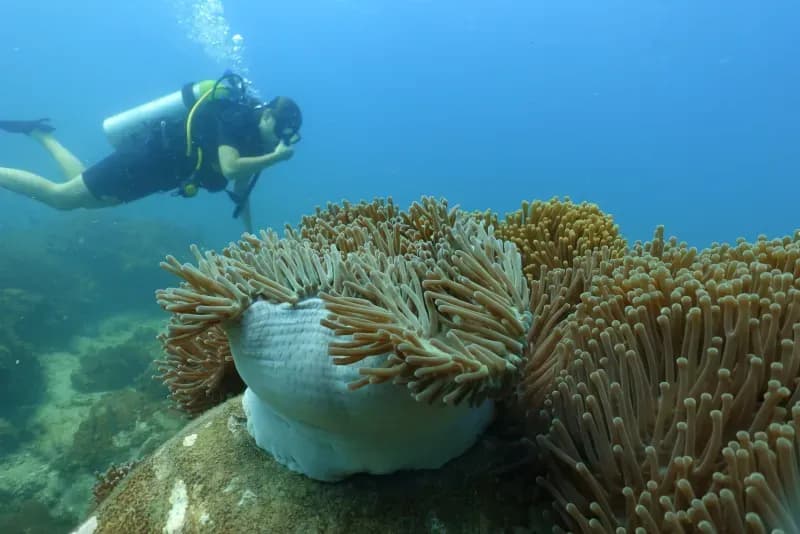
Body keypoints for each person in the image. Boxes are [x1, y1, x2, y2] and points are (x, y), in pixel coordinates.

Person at [0, 73, 302, 232]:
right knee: (62, 198)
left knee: (81, 192)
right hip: (145, 160)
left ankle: (40, 134)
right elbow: (231, 167)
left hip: (157, 174)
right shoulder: (236, 119)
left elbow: (241, 191)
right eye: (279, 132)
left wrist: (250, 239)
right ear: (267, 117)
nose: (279, 141)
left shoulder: (256, 143)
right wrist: (276, 158)